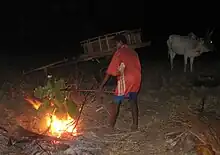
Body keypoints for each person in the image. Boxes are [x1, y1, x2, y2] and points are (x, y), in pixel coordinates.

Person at [99, 34, 141, 131]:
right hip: (137, 78)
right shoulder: (133, 52)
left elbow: (109, 72)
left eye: (116, 43)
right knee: (133, 100)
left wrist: (101, 86)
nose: (115, 46)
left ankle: (110, 126)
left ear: (120, 42)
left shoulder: (119, 52)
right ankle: (135, 125)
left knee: (116, 102)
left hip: (126, 79)